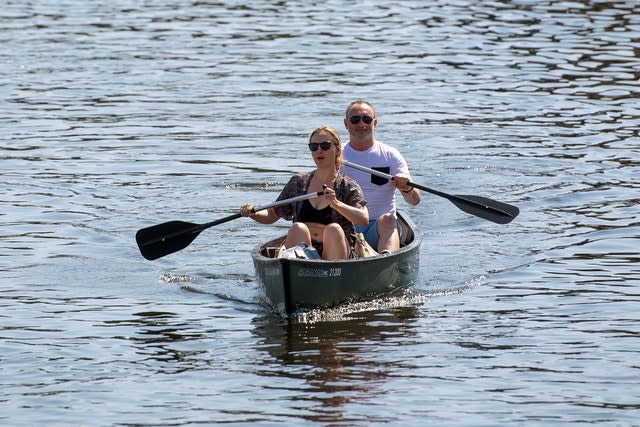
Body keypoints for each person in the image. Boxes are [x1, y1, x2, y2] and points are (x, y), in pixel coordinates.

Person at [240, 125, 369, 260]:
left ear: (337, 150)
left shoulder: (348, 186)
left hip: (336, 255)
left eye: (325, 146)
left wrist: (336, 204)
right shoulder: (298, 182)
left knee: (334, 229)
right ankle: (300, 268)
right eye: (314, 147)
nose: (319, 150)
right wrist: (253, 212)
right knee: (298, 228)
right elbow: (272, 214)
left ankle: (330, 272)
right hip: (304, 257)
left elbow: (363, 219)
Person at [341, 99, 421, 253]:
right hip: (345, 229)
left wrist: (406, 188)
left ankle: (385, 259)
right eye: (355, 119)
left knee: (388, 219)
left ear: (375, 122)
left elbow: (415, 201)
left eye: (367, 119)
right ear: (346, 123)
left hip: (378, 230)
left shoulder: (390, 155)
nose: (361, 124)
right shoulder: (336, 155)